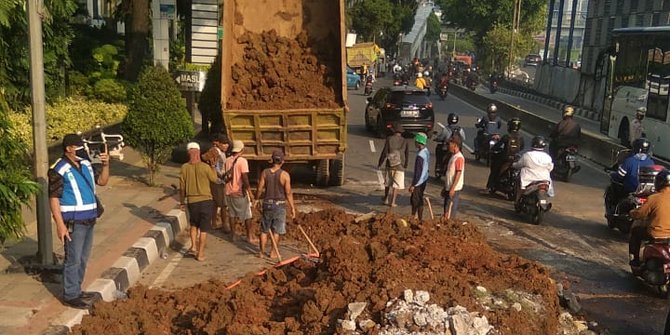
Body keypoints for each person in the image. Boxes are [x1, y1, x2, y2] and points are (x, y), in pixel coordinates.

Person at [49, 134, 110, 309]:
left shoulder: (86, 164)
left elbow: (103, 181)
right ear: (68, 148)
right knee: (73, 258)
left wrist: (106, 164)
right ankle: (70, 295)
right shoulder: (58, 169)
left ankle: (77, 289)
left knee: (83, 258)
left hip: (90, 218)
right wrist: (60, 225)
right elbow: (53, 198)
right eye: (77, 147)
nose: (81, 149)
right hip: (73, 221)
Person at [179, 142, 218, 262]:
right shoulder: (205, 167)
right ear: (199, 153)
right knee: (204, 229)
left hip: (192, 201)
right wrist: (212, 166)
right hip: (206, 201)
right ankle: (200, 254)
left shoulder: (184, 167)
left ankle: (193, 246)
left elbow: (182, 187)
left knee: (194, 224)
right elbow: (214, 179)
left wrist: (182, 201)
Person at [255, 150, 296, 259]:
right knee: (276, 231)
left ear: (272, 160)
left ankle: (261, 252)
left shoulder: (265, 172)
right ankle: (273, 252)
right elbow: (288, 193)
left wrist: (256, 199)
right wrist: (292, 207)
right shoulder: (285, 175)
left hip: (267, 204)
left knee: (264, 230)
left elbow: (259, 189)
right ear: (282, 161)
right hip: (279, 205)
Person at [628, 169, 670, 266]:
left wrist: (631, 213)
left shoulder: (654, 198)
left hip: (656, 234)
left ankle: (635, 259)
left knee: (636, 231)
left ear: (659, 183)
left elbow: (640, 214)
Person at [225, 140, 255, 242]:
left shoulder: (227, 160)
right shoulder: (243, 161)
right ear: (241, 150)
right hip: (239, 192)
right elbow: (245, 178)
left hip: (229, 191)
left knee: (232, 214)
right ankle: (249, 236)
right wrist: (250, 193)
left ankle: (233, 236)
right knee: (247, 215)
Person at [513, 136, 554, 207]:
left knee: (520, 185)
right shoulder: (547, 157)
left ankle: (517, 201)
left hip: (528, 179)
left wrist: (514, 165)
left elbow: (519, 165)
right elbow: (550, 168)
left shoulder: (527, 155)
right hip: (544, 179)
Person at [486, 118, 525, 193]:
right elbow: (522, 147)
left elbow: (497, 146)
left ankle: (489, 187)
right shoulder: (521, 138)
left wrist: (492, 149)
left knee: (494, 169)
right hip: (516, 158)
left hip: (505, 158)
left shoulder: (507, 136)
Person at [202, 134, 231, 232]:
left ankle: (213, 223)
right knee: (223, 204)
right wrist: (216, 171)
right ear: (218, 143)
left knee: (215, 203)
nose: (226, 145)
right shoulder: (215, 151)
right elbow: (205, 157)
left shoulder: (220, 151)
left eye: (227, 144)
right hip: (218, 181)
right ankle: (225, 225)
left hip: (218, 179)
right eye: (224, 143)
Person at [378, 123, 409, 207]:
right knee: (396, 184)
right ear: (401, 132)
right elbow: (406, 154)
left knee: (388, 183)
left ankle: (386, 198)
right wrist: (405, 164)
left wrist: (380, 162)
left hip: (390, 164)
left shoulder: (389, 139)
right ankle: (393, 202)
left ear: (394, 131)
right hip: (400, 165)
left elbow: (384, 152)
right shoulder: (405, 141)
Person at [434, 113, 465, 177]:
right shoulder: (460, 129)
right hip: (458, 149)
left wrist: (437, 139)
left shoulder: (446, 129)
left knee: (439, 153)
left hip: (446, 148)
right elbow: (463, 138)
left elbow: (441, 137)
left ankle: (439, 167)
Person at [442, 134, 465, 219]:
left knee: (450, 210)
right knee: (446, 209)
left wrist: (452, 188)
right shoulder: (453, 156)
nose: (448, 146)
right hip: (449, 187)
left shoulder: (459, 158)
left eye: (450, 144)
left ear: (455, 145)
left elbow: (458, 174)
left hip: (454, 189)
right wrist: (445, 187)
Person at [409, 132, 430, 221]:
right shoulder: (426, 151)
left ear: (418, 142)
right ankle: (417, 217)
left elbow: (418, 172)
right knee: (419, 198)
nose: (414, 143)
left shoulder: (420, 156)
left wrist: (413, 185)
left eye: (415, 141)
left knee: (415, 200)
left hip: (419, 181)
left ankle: (415, 217)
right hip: (424, 179)